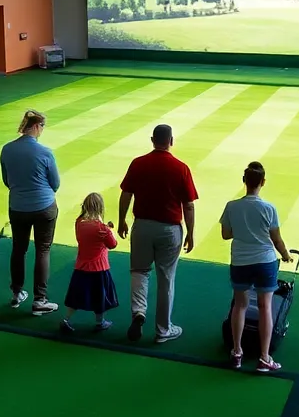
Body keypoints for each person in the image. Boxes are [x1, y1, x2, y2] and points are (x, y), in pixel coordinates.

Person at [117, 123, 197, 344]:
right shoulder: (181, 168)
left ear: (152, 140)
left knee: (139, 272)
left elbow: (126, 194)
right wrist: (190, 232)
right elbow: (188, 205)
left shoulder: (138, 163)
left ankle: (138, 313)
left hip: (142, 226)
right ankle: (163, 330)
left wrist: (122, 219)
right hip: (170, 230)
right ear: (171, 141)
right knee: (166, 279)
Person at [220, 161, 293, 373]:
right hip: (265, 262)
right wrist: (286, 255)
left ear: (244, 181)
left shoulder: (232, 206)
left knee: (240, 305)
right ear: (263, 182)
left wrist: (243, 229)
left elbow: (226, 234)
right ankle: (264, 357)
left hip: (240, 261)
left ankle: (236, 353)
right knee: (265, 307)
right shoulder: (269, 208)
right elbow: (276, 239)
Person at [0, 110, 61, 315]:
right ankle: (40, 300)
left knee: (19, 249)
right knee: (43, 250)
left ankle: (17, 294)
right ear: (36, 126)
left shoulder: (7, 149)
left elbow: (7, 181)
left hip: (18, 206)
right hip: (44, 206)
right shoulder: (45, 152)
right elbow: (55, 183)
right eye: (42, 127)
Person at [61, 193, 120, 333]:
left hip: (81, 267)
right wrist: (109, 230)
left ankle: (66, 319)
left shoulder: (79, 223)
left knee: (75, 296)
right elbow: (112, 244)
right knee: (100, 297)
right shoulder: (102, 229)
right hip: (99, 268)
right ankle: (100, 322)